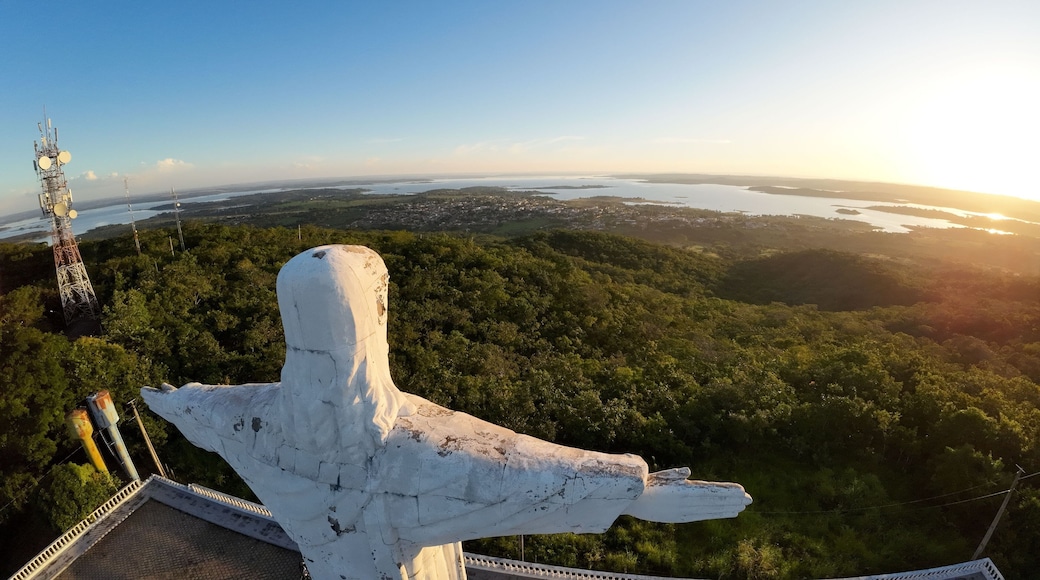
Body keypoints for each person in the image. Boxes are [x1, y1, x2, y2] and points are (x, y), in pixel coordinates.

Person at [143, 245, 752, 580]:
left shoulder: (254, 423)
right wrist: (634, 490)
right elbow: (521, 470)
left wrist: (169, 400)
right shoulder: (408, 449)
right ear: (373, 318)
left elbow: (200, 409)